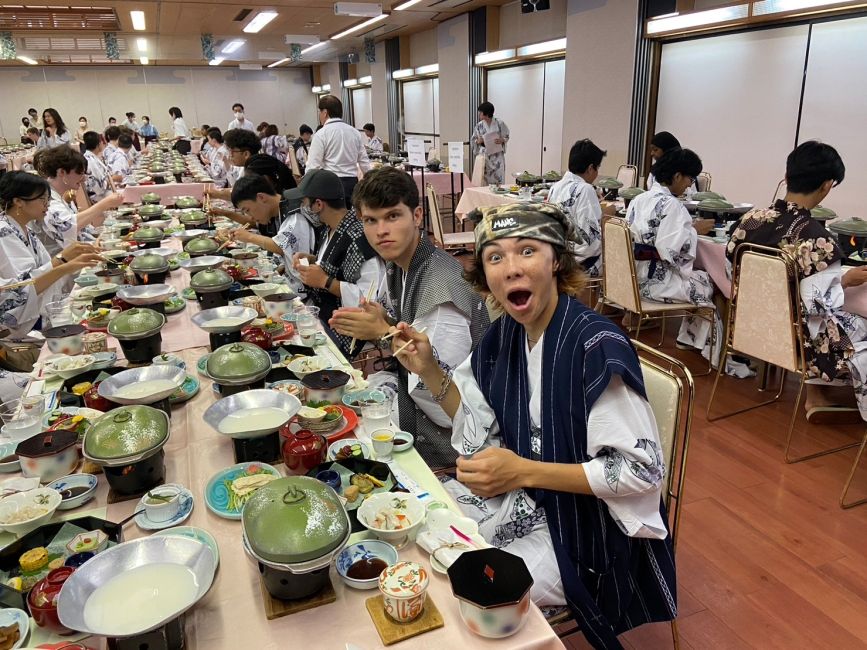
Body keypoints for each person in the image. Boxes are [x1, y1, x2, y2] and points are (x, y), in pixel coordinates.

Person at [390, 202, 677, 647]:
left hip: (589, 533)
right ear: (484, 275)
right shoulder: (502, 338)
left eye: (527, 250)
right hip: (526, 502)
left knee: (462, 589)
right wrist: (428, 369)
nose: (510, 269)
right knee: (421, 528)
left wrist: (521, 470)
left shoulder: (593, 345)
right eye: (495, 257)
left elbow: (641, 472)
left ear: (556, 260)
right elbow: (476, 424)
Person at [330, 167, 489, 469]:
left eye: (393, 216)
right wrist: (385, 321)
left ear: (417, 216)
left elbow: (444, 406)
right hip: (418, 402)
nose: (381, 231)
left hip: (450, 444)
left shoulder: (439, 290)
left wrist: (384, 333)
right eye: (370, 220)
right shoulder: (401, 264)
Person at [726, 141, 867, 413]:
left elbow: (731, 271)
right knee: (853, 319)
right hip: (801, 344)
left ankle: (817, 396)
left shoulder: (750, 220)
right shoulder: (818, 240)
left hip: (751, 326)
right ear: (827, 185)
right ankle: (827, 393)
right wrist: (845, 281)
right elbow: (818, 304)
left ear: (787, 177)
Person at [625, 148, 748, 377]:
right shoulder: (672, 206)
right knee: (716, 282)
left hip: (633, 277)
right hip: (655, 284)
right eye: (690, 179)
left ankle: (688, 338)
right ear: (677, 175)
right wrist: (692, 229)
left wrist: (686, 229)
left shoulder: (639, 199)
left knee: (699, 276)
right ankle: (718, 355)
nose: (689, 186)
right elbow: (672, 253)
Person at [286, 169, 383, 357]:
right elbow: (336, 263)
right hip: (322, 313)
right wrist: (312, 260)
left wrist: (326, 282)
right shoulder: (329, 228)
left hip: (345, 328)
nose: (302, 206)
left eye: (304, 202)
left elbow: (370, 297)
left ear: (318, 204)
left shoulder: (358, 237)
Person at [0, 171, 103, 338]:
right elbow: (21, 288)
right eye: (42, 199)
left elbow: (42, 274)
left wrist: (68, 258)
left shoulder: (25, 228)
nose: (47, 204)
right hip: (24, 327)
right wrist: (63, 261)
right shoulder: (4, 233)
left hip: (43, 311)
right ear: (18, 201)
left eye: (48, 199)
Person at [227, 173, 317, 295]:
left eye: (247, 210)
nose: (250, 217)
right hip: (293, 284)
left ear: (261, 197)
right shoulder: (279, 209)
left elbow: (282, 247)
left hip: (308, 293)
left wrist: (249, 237)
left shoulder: (294, 214)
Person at [32, 146, 122, 258]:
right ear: (62, 172)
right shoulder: (46, 200)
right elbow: (68, 227)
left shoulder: (59, 196)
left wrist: (99, 238)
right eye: (80, 173)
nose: (84, 178)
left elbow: (83, 230)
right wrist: (105, 203)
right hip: (63, 266)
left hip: (80, 255)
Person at [548, 139, 609, 277]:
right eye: (597, 168)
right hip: (578, 263)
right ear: (590, 168)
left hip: (557, 258)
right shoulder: (585, 189)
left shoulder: (555, 187)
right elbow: (591, 240)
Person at [305, 95, 371, 209]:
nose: (320, 115)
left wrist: (306, 189)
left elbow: (312, 166)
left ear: (325, 112)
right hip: (352, 183)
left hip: (331, 184)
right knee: (351, 218)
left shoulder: (321, 134)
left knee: (334, 222)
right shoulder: (354, 132)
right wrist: (371, 181)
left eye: (320, 112)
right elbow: (364, 162)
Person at [471, 101, 509, 185]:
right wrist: (478, 141)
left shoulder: (500, 123)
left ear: (487, 114)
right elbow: (473, 140)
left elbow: (506, 136)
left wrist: (501, 140)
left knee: (499, 179)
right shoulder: (479, 125)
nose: (479, 114)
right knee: (484, 179)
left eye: (480, 113)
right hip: (485, 156)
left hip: (497, 155)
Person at [82, 131, 112, 203]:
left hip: (102, 193)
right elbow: (100, 187)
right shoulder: (90, 161)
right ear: (98, 144)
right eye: (101, 141)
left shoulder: (91, 157)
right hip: (98, 197)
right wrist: (109, 181)